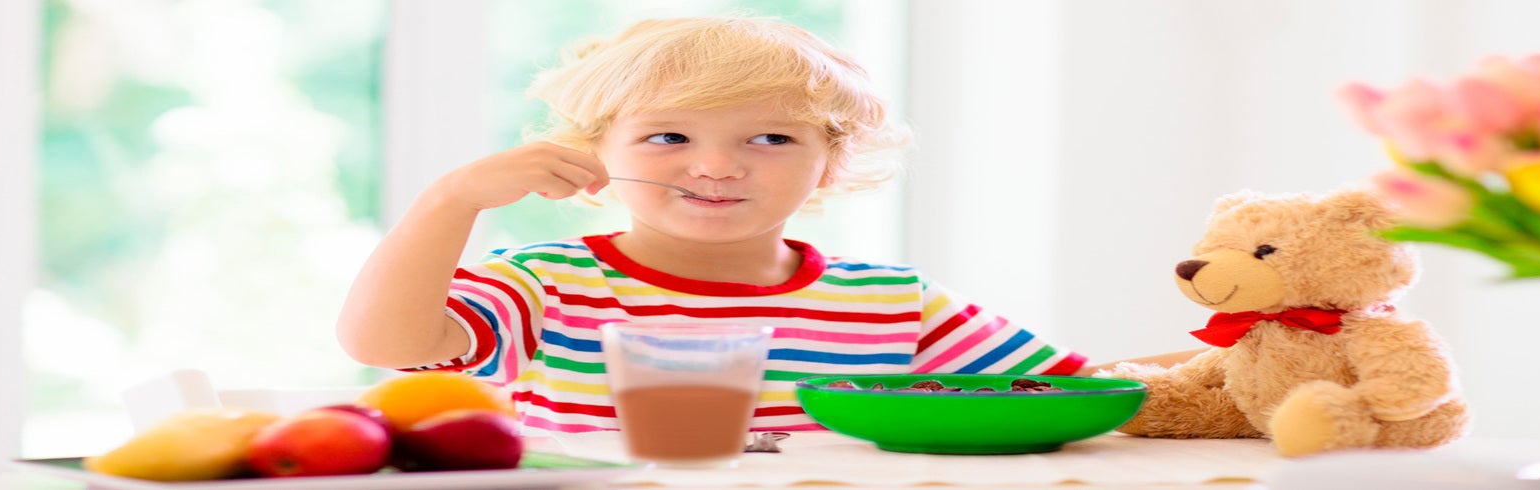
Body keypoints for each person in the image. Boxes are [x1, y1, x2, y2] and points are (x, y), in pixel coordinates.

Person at [336, 16, 1194, 435]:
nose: (716, 165)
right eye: (669, 136)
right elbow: (387, 343)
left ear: (831, 163)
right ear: (593, 153)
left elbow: (1082, 385)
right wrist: (449, 200)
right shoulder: (550, 282)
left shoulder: (892, 302)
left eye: (771, 138)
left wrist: (1266, 350)